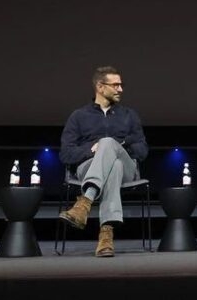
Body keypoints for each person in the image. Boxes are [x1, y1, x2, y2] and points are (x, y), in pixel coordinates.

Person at [59, 66, 148, 257]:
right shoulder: (79, 116)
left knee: (110, 148)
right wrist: (89, 149)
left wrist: (118, 145)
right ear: (100, 86)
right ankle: (106, 236)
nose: (120, 89)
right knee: (112, 166)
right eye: (115, 85)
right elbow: (65, 154)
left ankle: (85, 202)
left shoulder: (128, 115)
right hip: (88, 166)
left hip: (127, 168)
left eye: (121, 85)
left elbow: (142, 150)